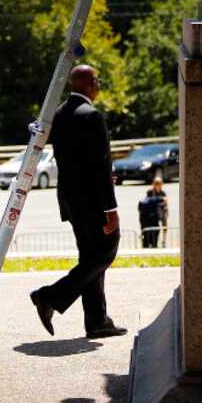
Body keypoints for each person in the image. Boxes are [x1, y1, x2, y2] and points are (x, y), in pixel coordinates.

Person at [29, 65, 126, 339]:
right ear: (88, 83)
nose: (98, 84)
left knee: (90, 258)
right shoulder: (92, 115)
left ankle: (97, 321)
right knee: (104, 254)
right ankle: (49, 296)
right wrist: (110, 209)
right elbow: (99, 165)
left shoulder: (59, 114)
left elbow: (76, 162)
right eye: (97, 79)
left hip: (71, 202)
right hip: (94, 203)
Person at [138, 176, 168, 249]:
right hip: (150, 217)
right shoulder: (150, 192)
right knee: (149, 235)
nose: (158, 185)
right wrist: (160, 201)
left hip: (160, 214)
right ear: (153, 184)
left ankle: (163, 242)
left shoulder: (163, 193)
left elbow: (165, 204)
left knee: (162, 229)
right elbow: (149, 202)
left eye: (159, 183)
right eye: (156, 183)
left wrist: (166, 211)